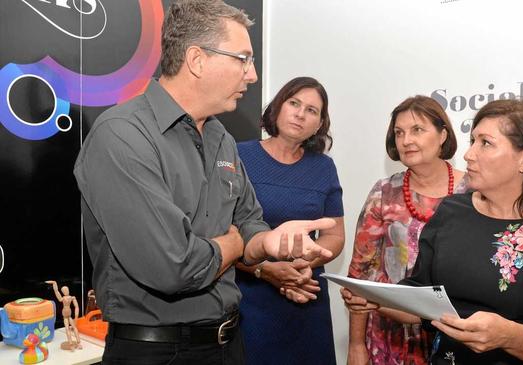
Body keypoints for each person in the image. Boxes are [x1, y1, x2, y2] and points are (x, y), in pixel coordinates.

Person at [73, 1, 334, 364]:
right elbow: (174, 266)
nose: (253, 75)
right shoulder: (122, 136)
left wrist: (265, 241)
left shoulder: (221, 139)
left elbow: (249, 220)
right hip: (157, 352)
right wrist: (236, 241)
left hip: (229, 344)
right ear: (197, 60)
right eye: (243, 58)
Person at [343, 99, 523, 365]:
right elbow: (421, 300)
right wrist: (373, 299)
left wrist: (509, 336)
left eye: (485, 143)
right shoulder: (452, 210)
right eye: (472, 141)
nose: (469, 154)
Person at [347, 95, 466, 365]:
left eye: (417, 130)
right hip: (389, 335)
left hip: (454, 335)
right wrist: (356, 345)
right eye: (399, 133)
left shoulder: (473, 192)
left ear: (443, 135)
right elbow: (361, 273)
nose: (406, 140)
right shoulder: (383, 192)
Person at [234, 76, 345, 365]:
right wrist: (267, 270)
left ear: (320, 124)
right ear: (278, 107)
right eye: (294, 103)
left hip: (306, 293)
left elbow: (335, 235)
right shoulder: (238, 155)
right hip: (250, 296)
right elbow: (224, 232)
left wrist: (303, 266)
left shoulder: (324, 167)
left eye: (312, 110)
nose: (300, 113)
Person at [45, 280, 82, 350]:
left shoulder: (72, 298)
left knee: (74, 327)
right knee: (67, 329)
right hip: (65, 315)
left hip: (69, 315)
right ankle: (71, 344)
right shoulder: (63, 298)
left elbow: (76, 307)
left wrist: (76, 317)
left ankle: (78, 342)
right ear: (63, 292)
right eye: (64, 290)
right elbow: (56, 292)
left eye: (66, 290)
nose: (66, 291)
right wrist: (54, 283)